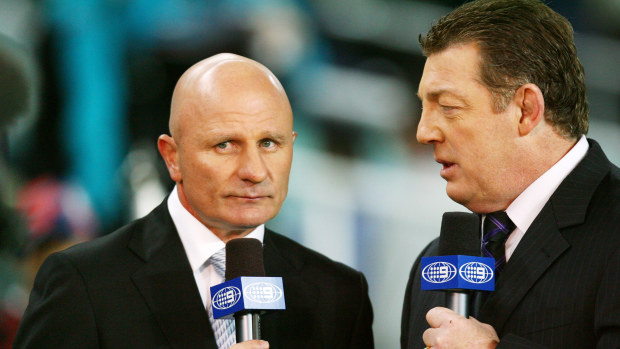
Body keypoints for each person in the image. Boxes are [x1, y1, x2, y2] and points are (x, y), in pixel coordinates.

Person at [14, 53, 374, 349]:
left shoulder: (339, 295)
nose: (254, 171)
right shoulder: (84, 284)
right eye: (225, 145)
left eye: (269, 143)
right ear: (172, 157)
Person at [400, 0, 620, 348]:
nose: (423, 132)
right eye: (423, 107)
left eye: (448, 107)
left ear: (526, 109)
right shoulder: (435, 260)